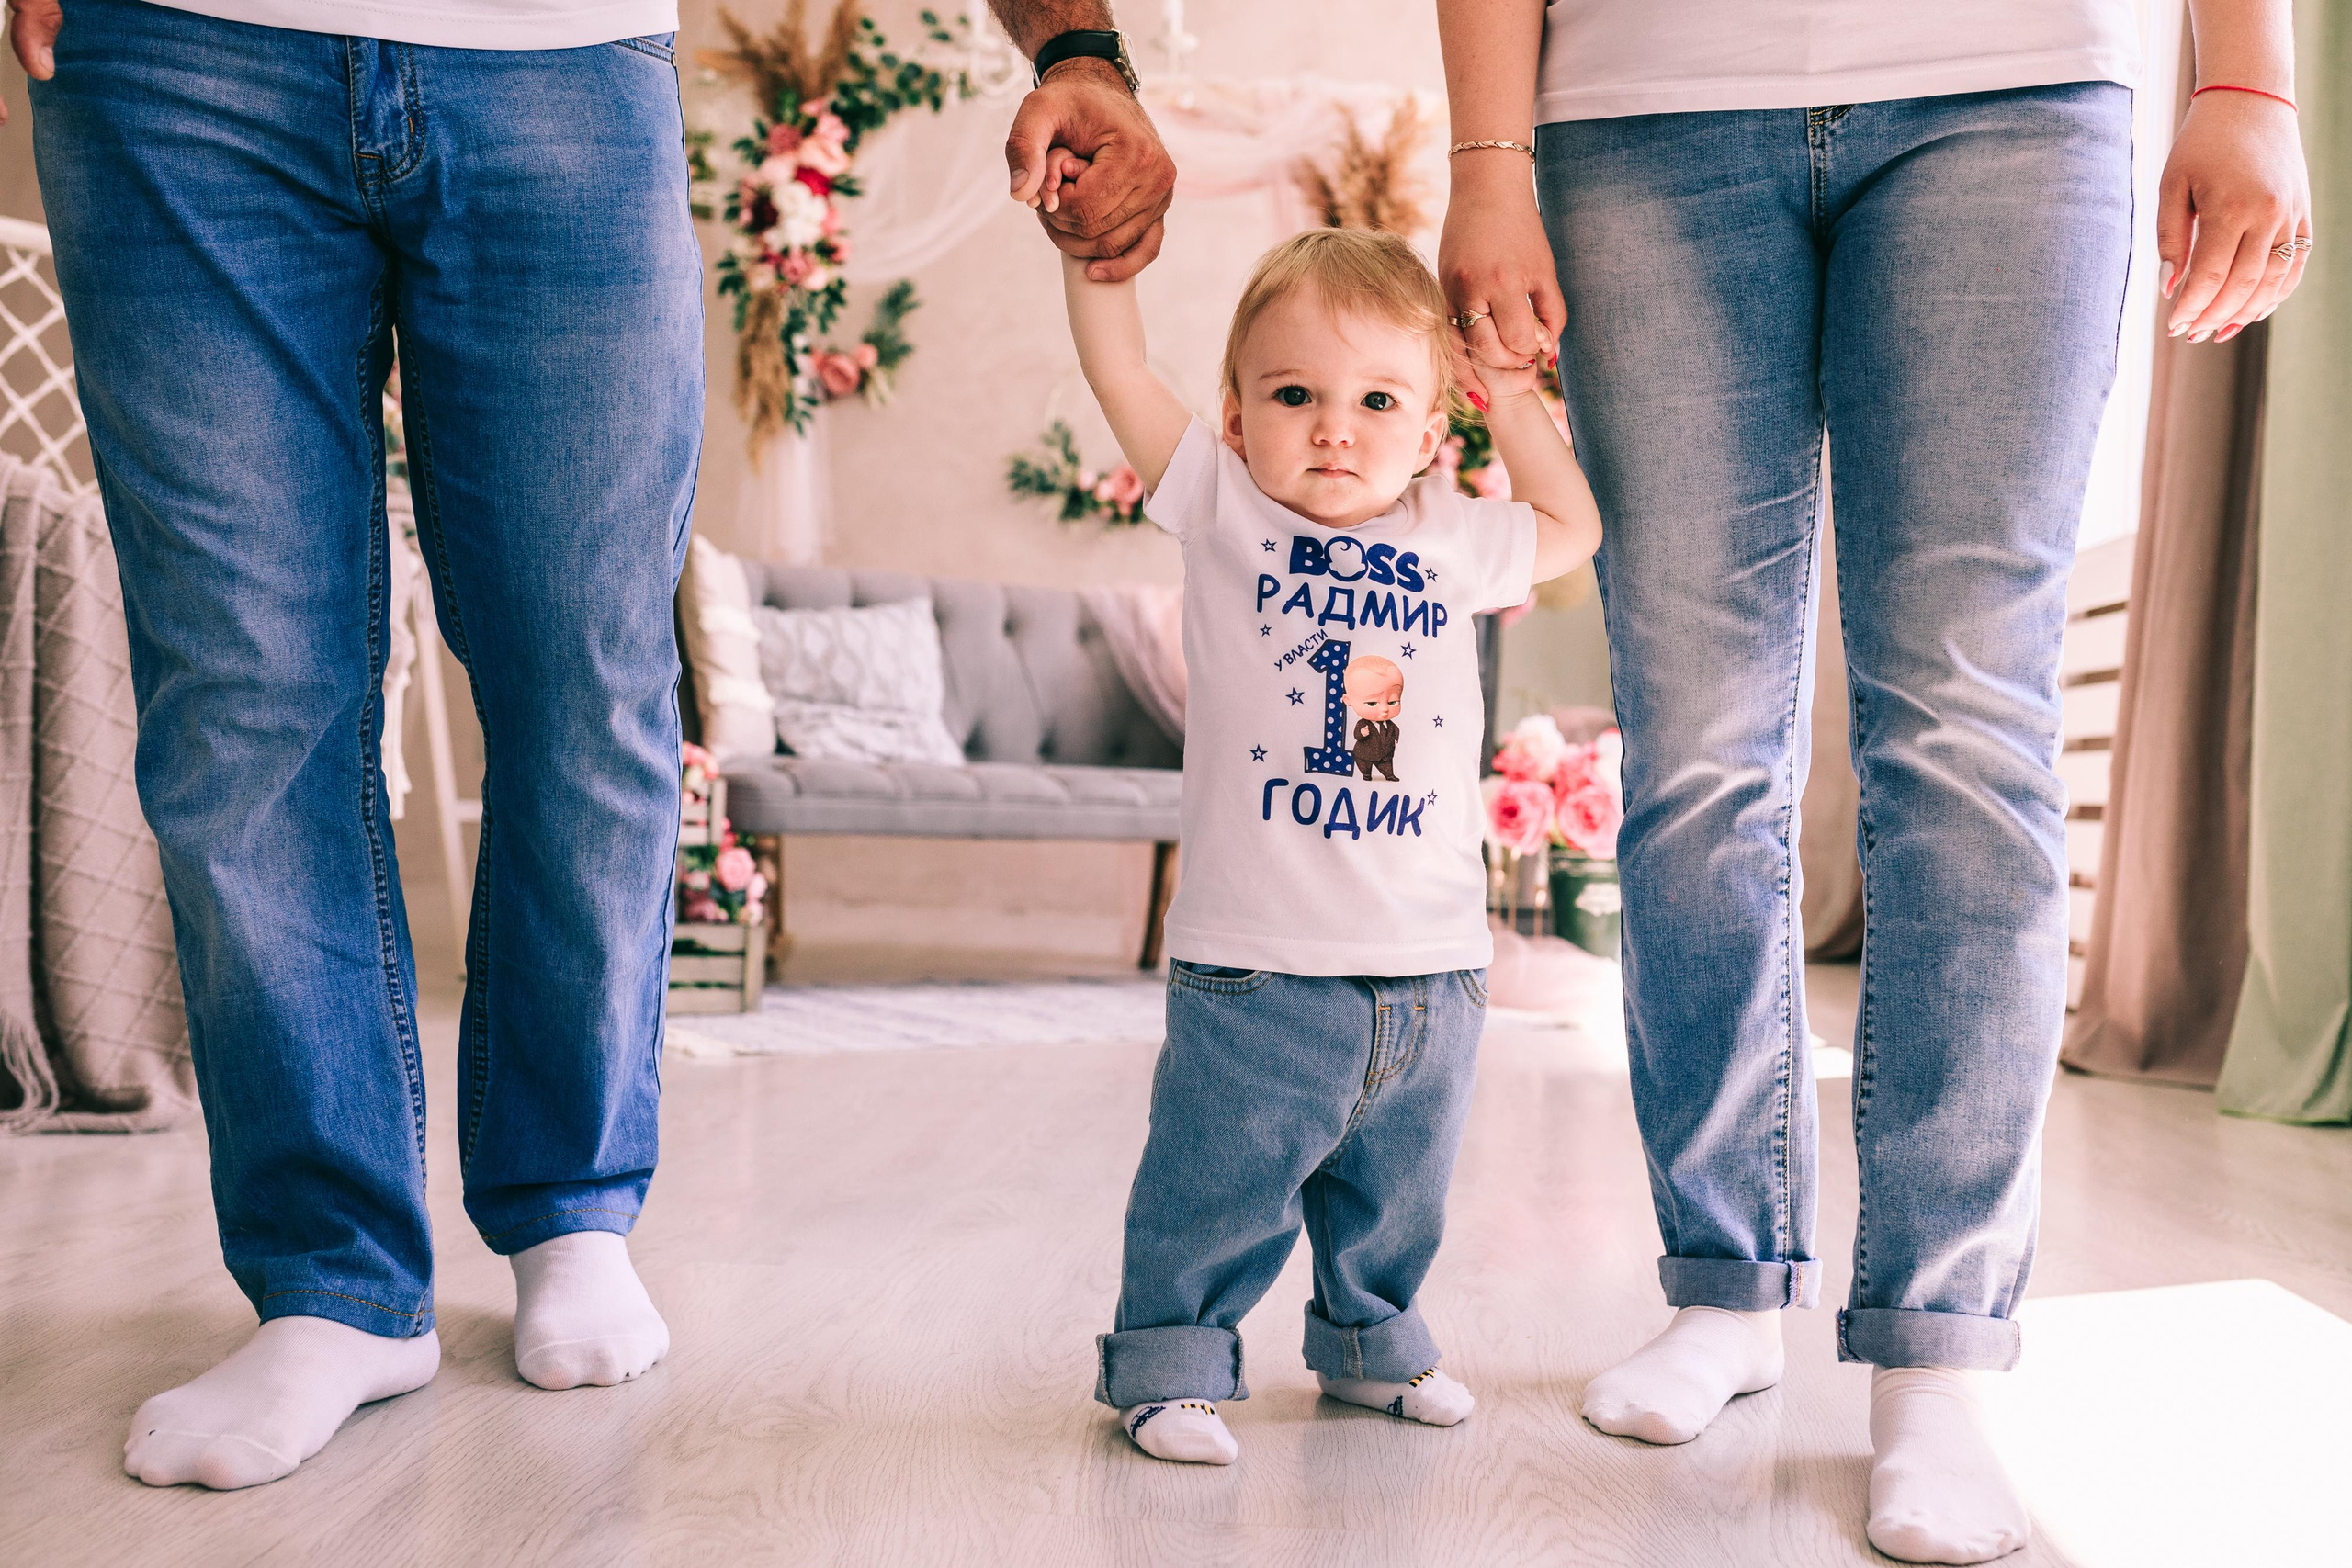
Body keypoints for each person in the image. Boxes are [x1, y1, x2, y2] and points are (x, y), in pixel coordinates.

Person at [4, 0, 1175, 1492]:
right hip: (175, 58)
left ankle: (570, 1205)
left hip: (556, 58)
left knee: (589, 684)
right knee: (244, 703)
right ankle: (332, 1284)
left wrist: (1077, 43)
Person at [1432, 0, 2311, 1562]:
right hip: (1639, 106)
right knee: (1695, 750)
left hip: (2014, 85)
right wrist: (1489, 155)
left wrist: (2248, 73)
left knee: (1967, 738)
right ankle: (1725, 1286)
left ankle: (1939, 1350)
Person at [1055, 220, 1602, 1464]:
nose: (1334, 427)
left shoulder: (1455, 534)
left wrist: (1509, 396)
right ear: (1238, 418)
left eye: (1376, 400)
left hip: (1430, 965)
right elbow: (1121, 374)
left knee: (1397, 1190)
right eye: (1293, 395)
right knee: (1217, 1180)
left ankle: (1370, 1345)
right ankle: (1172, 1363)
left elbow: (1571, 526)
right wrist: (1093, 262)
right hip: (1258, 960)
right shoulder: (1220, 506)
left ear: (1429, 428)